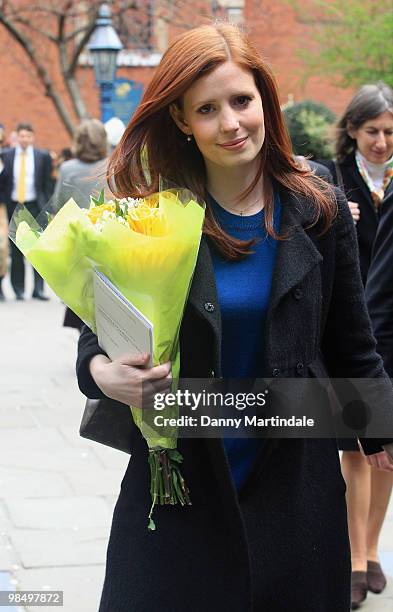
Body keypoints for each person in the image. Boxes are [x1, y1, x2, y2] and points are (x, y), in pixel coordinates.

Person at [76, 24, 393, 612]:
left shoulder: (317, 206)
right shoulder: (152, 215)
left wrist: (380, 428)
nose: (231, 124)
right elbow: (97, 340)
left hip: (294, 480)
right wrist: (104, 373)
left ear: (265, 102)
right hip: (180, 481)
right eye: (207, 109)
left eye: (242, 101)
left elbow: (352, 340)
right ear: (180, 120)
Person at [319, 82, 393, 609]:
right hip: (347, 323)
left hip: (386, 325)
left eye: (391, 132)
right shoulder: (330, 179)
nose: (382, 142)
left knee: (387, 449)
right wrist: (338, 216)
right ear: (352, 131)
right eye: (372, 131)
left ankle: (370, 547)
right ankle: (352, 556)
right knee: (354, 446)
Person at [53, 119, 108, 330]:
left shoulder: (68, 168)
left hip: (77, 239)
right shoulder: (112, 164)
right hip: (105, 237)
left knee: (80, 294)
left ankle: (84, 339)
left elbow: (58, 203)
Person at [0, 122, 52, 300]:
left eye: (28, 136)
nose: (24, 139)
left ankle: (38, 289)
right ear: (17, 136)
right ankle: (18, 289)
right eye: (21, 136)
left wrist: (47, 206)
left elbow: (47, 184)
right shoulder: (6, 155)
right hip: (14, 205)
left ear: (32, 137)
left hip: (34, 205)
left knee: (37, 248)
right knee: (15, 249)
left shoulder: (42, 157)